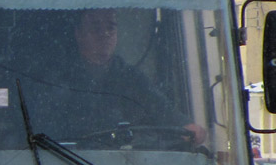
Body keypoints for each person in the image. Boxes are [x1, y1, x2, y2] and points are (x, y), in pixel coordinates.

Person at [43, 9, 205, 146]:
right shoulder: (58, 78)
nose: (105, 34)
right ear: (78, 34)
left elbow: (160, 108)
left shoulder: (131, 78)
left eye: (111, 27)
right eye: (96, 27)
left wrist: (186, 126)